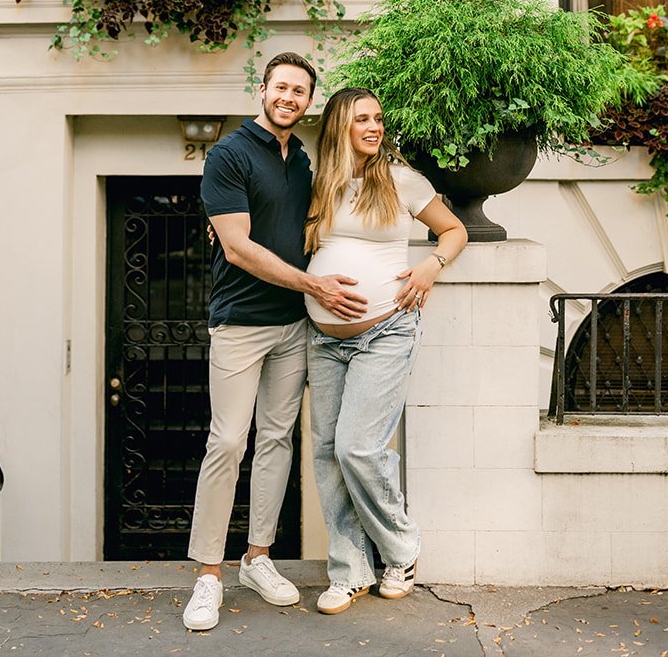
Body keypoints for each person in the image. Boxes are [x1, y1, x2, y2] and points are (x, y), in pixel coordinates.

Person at [183, 53, 369, 633]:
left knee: (277, 442)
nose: (290, 97)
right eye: (281, 87)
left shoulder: (303, 161)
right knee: (228, 442)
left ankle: (257, 559)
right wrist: (315, 284)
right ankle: (208, 576)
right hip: (240, 321)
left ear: (309, 101)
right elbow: (236, 247)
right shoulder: (228, 155)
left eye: (301, 91)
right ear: (262, 89)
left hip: (294, 324)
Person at [305, 87, 467, 614]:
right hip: (323, 339)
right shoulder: (318, 184)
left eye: (377, 118)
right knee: (329, 454)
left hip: (386, 331)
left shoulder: (400, 179)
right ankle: (348, 570)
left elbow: (454, 230)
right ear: (338, 127)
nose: (373, 127)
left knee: (358, 448)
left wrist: (432, 265)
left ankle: (400, 549)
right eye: (361, 120)